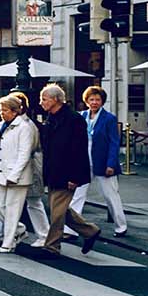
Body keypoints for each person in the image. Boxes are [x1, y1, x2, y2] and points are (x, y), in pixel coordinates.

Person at [38, 83, 100, 255]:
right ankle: (90, 231)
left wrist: (74, 177)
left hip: (67, 172)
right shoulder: (51, 118)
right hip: (53, 171)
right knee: (59, 209)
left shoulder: (74, 120)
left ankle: (52, 246)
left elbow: (79, 150)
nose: (41, 102)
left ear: (56, 99)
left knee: (56, 212)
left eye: (44, 99)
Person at [0, 93, 40, 252]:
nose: (2, 113)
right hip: (0, 173)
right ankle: (19, 230)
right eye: (1, 110)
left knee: (13, 209)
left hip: (17, 176)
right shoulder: (2, 125)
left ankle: (8, 242)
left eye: (5, 110)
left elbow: (24, 154)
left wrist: (14, 175)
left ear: (15, 111)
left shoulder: (25, 127)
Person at [72, 85, 128, 236]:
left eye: (97, 99)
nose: (94, 102)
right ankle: (71, 228)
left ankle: (120, 226)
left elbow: (114, 142)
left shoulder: (109, 118)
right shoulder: (81, 116)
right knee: (77, 194)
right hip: (84, 161)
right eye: (91, 99)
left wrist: (111, 163)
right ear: (86, 101)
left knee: (111, 195)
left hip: (103, 161)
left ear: (102, 101)